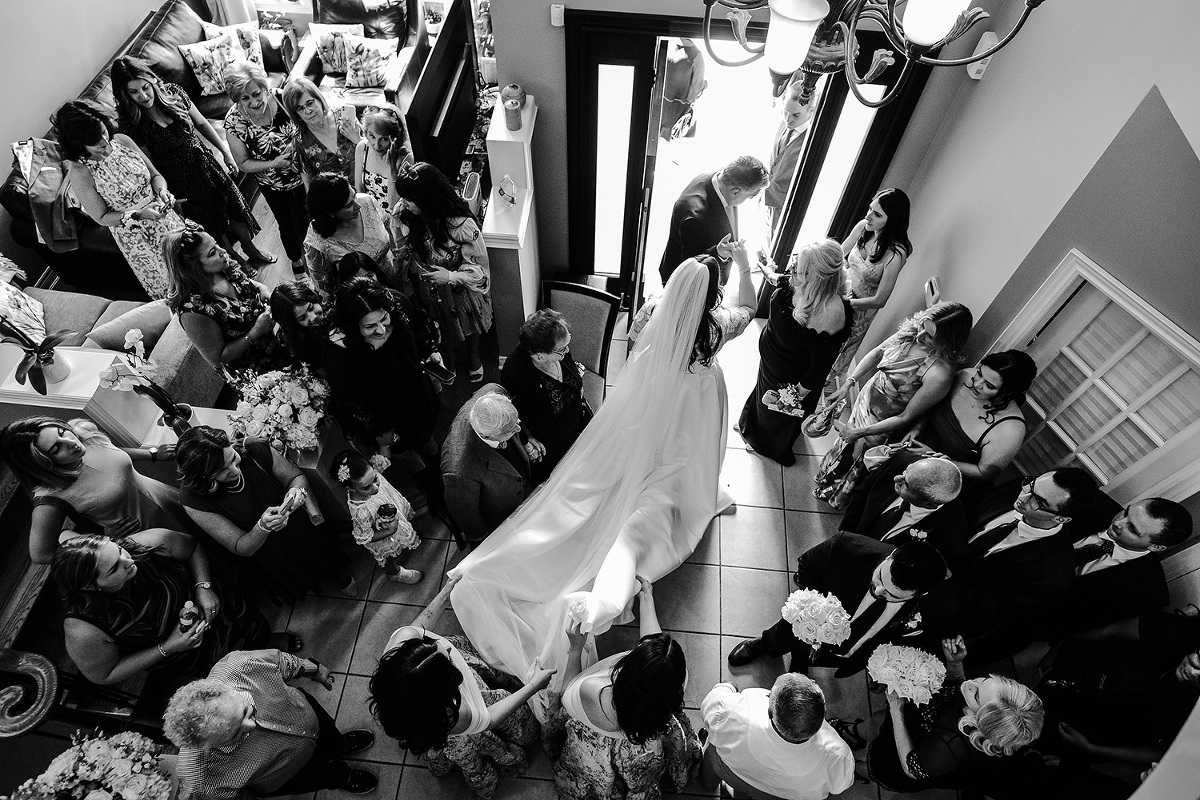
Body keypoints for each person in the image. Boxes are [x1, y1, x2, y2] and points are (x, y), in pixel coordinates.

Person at [449, 251, 756, 688]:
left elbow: (635, 353)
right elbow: (746, 311)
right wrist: (744, 263)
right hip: (694, 409)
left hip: (651, 407)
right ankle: (685, 498)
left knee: (615, 482)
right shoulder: (714, 329)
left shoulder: (652, 315)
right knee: (684, 461)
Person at [371, 577, 550, 800]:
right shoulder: (453, 714)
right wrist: (533, 686)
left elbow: (418, 625)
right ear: (441, 689)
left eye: (435, 645)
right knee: (471, 754)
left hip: (421, 713)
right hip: (453, 730)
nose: (447, 647)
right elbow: (489, 718)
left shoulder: (403, 642)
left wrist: (446, 590)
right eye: (445, 655)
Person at [920, 468, 1098, 663]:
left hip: (947, 613)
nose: (1024, 496)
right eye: (1031, 484)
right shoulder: (1021, 490)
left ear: (1061, 519)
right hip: (925, 564)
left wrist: (949, 581)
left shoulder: (1054, 575)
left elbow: (1001, 610)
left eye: (1038, 501)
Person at [53, 530, 269, 685]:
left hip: (220, 611)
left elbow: (192, 546)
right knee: (240, 676)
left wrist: (203, 587)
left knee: (254, 629)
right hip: (186, 654)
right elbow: (104, 674)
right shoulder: (83, 628)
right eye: (113, 568)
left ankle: (267, 645)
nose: (128, 561)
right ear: (90, 586)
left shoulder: (147, 544)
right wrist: (167, 647)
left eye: (118, 550)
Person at [814, 300, 973, 510]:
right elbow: (879, 352)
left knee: (856, 460)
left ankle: (835, 493)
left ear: (947, 341)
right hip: (865, 402)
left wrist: (860, 432)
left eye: (930, 337)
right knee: (842, 447)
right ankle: (825, 476)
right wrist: (849, 383)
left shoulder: (939, 374)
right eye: (922, 326)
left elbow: (905, 417)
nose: (919, 337)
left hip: (881, 424)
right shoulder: (910, 333)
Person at [552, 577, 702, 799]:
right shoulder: (674, 683)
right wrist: (647, 598)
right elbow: (652, 643)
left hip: (604, 745)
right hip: (648, 742)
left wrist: (575, 649)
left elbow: (567, 695)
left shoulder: (595, 694)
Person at [110, 56, 267, 265]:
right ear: (124, 94)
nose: (143, 95)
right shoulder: (130, 123)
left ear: (152, 81)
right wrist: (168, 195)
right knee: (213, 225)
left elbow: (201, 123)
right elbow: (150, 165)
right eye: (134, 92)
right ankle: (234, 259)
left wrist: (226, 152)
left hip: (206, 163)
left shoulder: (174, 93)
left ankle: (250, 247)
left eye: (145, 87)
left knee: (235, 208)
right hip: (180, 180)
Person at [175, 425, 356, 605]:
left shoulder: (254, 448)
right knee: (294, 569)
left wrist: (296, 491)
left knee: (322, 552)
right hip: (264, 548)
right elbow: (240, 546)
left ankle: (339, 575)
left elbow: (295, 478)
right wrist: (262, 527)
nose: (235, 471)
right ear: (203, 476)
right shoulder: (193, 500)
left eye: (233, 458)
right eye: (222, 470)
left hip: (299, 526)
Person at [727, 533, 948, 679]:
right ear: (892, 555)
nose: (878, 591)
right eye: (880, 577)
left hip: (847, 649)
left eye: (893, 595)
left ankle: (801, 662)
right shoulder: (848, 547)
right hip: (810, 620)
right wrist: (813, 606)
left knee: (817, 658)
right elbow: (807, 566)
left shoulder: (929, 607)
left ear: (920, 594)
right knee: (784, 634)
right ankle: (764, 644)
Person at [325, 279, 452, 529]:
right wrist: (382, 433)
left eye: (384, 320)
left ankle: (441, 468)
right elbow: (352, 398)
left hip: (414, 398)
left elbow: (419, 329)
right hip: (384, 415)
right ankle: (436, 492)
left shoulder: (396, 309)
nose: (381, 331)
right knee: (410, 456)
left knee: (428, 440)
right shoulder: (340, 352)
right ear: (353, 327)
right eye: (369, 326)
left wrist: (429, 353)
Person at [165, 649, 378, 798]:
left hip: (306, 714)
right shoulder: (201, 778)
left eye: (246, 712)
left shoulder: (236, 666)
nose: (251, 727)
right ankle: (341, 777)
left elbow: (280, 662)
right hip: (289, 774)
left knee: (330, 736)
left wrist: (313, 670)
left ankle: (338, 745)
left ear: (226, 689)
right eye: (234, 736)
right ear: (206, 745)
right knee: (320, 776)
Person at [868, 636, 1044, 793]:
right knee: (877, 724)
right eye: (985, 680)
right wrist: (955, 665)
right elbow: (957, 690)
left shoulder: (950, 747)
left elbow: (912, 769)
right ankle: (852, 732)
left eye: (976, 696)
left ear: (980, 721)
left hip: (899, 756)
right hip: (911, 720)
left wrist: (896, 710)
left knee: (874, 764)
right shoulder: (980, 696)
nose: (970, 683)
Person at [0, 416, 185, 565]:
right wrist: (101, 543)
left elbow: (111, 452)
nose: (70, 442)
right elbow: (40, 555)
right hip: (150, 535)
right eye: (56, 448)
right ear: (41, 463)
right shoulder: (50, 497)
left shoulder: (82, 435)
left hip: (170, 499)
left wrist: (152, 454)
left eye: (62, 432)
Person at [54, 99, 186, 299]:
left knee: (195, 262)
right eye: (95, 141)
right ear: (78, 143)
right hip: (138, 238)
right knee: (176, 285)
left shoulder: (122, 141)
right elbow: (101, 217)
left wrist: (162, 192)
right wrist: (139, 215)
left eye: (103, 132)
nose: (105, 143)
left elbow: (155, 176)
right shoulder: (80, 172)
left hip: (166, 217)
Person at [737, 238, 851, 465]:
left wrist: (793, 396)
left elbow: (820, 367)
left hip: (791, 379)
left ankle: (767, 446)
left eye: (798, 269)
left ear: (815, 277)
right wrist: (763, 267)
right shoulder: (797, 283)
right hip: (771, 365)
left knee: (776, 415)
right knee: (761, 400)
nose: (792, 272)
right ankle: (752, 426)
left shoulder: (832, 312)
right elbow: (777, 279)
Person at [392, 161, 492, 379]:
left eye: (409, 199)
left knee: (470, 323)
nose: (403, 203)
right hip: (427, 285)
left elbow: (480, 267)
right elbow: (401, 246)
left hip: (459, 289)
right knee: (442, 325)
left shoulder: (461, 225)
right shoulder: (404, 213)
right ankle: (449, 356)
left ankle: (474, 355)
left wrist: (451, 276)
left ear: (427, 199)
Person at [902, 349, 1035, 503]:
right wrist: (917, 427)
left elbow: (985, 473)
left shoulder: (1010, 428)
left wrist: (941, 461)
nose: (976, 384)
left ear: (1008, 393)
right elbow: (932, 403)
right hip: (910, 450)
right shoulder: (964, 376)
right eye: (979, 373)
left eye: (989, 386)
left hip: (941, 485)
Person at [699, 673, 854, 800]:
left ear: (770, 712)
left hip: (733, 774)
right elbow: (840, 786)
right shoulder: (839, 756)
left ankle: (707, 785)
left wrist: (728, 685)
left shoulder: (734, 711)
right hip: (778, 796)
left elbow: (709, 704)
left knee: (714, 747)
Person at [163, 221, 283, 374]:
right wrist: (256, 331)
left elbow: (250, 284)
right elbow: (217, 358)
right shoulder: (192, 310)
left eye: (217, 244)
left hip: (273, 345)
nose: (223, 252)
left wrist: (263, 289)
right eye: (212, 253)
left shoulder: (222, 267)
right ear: (193, 267)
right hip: (256, 372)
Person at [223, 59, 309, 275]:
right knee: (287, 223)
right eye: (245, 97)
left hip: (304, 172)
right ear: (237, 98)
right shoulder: (234, 122)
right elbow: (242, 163)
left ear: (264, 87)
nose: (254, 101)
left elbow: (307, 122)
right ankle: (296, 260)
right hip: (273, 183)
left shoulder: (282, 98)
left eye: (257, 93)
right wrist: (275, 163)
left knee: (307, 213)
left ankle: (313, 249)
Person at [826, 187, 914, 389]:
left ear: (893, 219)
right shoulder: (863, 228)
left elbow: (880, 300)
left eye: (877, 214)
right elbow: (839, 253)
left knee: (837, 349)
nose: (868, 216)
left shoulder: (895, 254)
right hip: (841, 292)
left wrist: (847, 303)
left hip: (860, 309)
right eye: (870, 209)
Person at [500, 308, 593, 481]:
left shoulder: (560, 349)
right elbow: (510, 413)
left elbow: (571, 369)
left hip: (576, 426)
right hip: (552, 447)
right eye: (562, 349)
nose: (567, 351)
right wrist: (526, 438)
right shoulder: (517, 374)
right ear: (541, 356)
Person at [442, 386, 538, 542]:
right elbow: (466, 514)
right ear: (486, 435)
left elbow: (514, 422)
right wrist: (486, 541)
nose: (518, 428)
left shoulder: (494, 391)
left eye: (517, 423)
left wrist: (527, 439)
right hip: (500, 516)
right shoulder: (459, 470)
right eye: (510, 431)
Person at [658, 155, 769, 285]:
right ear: (736, 192)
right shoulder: (696, 218)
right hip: (685, 286)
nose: (749, 199)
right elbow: (693, 266)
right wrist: (719, 253)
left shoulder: (720, 179)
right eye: (750, 196)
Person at [842, 454, 969, 567]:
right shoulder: (902, 461)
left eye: (906, 484)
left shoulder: (951, 531)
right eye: (905, 472)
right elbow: (860, 495)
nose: (897, 478)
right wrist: (844, 536)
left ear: (929, 505)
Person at [330, 449, 423, 584]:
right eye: (366, 487)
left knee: (402, 531)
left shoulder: (372, 474)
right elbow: (366, 537)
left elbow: (384, 457)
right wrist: (390, 531)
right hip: (382, 537)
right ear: (351, 489)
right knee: (387, 556)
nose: (375, 488)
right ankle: (395, 573)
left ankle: (404, 536)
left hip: (393, 515)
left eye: (375, 479)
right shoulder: (361, 511)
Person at [303, 171, 396, 298]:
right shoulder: (317, 242)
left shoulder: (367, 202)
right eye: (348, 206)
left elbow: (387, 226)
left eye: (354, 196)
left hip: (394, 278)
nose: (358, 205)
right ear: (330, 213)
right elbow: (325, 287)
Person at [282, 77, 360, 185]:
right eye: (300, 108)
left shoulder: (343, 116)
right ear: (296, 114)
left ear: (319, 99)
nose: (308, 111)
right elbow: (309, 184)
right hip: (338, 199)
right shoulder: (300, 140)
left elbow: (373, 151)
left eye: (310, 103)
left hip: (367, 187)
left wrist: (358, 141)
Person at [763, 78, 813, 236]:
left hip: (786, 208)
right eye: (786, 112)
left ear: (810, 111)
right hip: (767, 201)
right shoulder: (783, 123)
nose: (788, 119)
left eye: (795, 115)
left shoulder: (812, 140)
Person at [269, 280, 339, 371]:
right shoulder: (303, 345)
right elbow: (326, 373)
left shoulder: (332, 302)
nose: (313, 317)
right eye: (302, 318)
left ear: (313, 297)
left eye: (311, 308)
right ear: (294, 324)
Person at [354, 104, 410, 213]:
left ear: (396, 138)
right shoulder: (362, 148)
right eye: (372, 136)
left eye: (384, 139)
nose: (376, 145)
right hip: (369, 215)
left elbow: (394, 205)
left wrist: (392, 169)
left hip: (396, 219)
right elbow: (359, 189)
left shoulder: (406, 159)